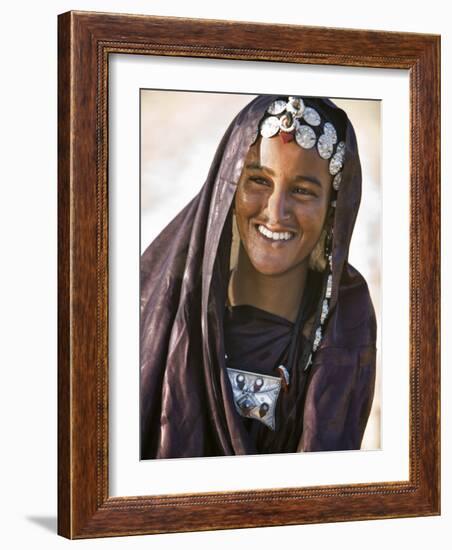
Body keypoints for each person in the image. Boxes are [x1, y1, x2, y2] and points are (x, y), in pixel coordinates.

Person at [140, 95, 377, 459]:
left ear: (333, 208)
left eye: (302, 190)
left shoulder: (344, 322)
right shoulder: (158, 311)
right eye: (259, 181)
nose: (275, 211)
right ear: (228, 188)